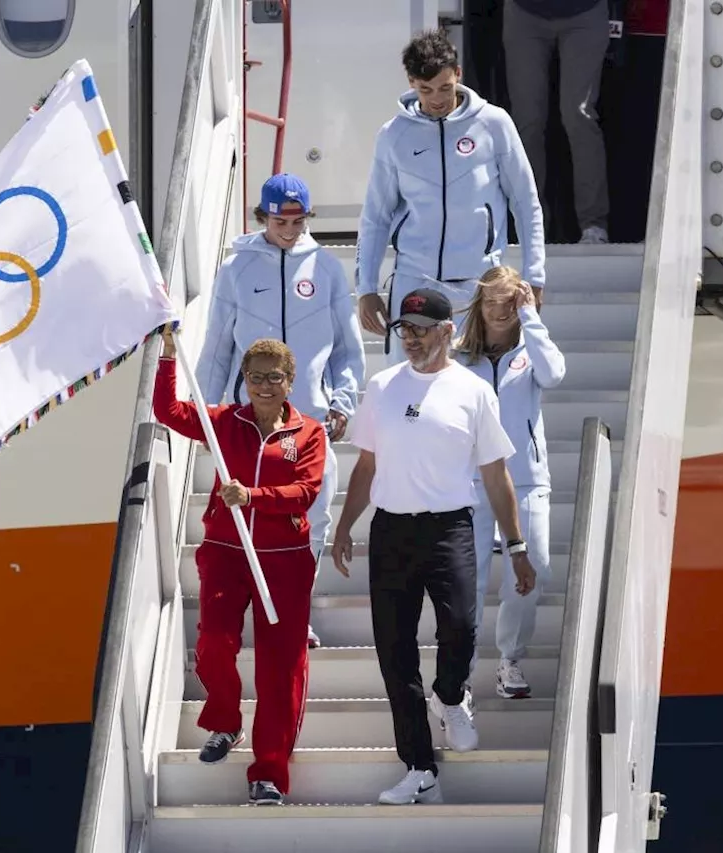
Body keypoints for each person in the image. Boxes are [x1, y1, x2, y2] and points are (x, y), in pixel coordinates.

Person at [331, 288, 537, 806]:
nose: (411, 338)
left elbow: (496, 474)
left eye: (422, 328)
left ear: (448, 331)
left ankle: (450, 695)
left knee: (461, 628)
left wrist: (516, 546)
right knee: (394, 653)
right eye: (405, 329)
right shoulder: (380, 387)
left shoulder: (472, 390)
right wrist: (343, 527)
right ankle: (419, 767)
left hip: (451, 529)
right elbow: (367, 466)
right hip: (391, 532)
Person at [154, 328, 326, 806]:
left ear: (290, 380)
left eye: (274, 377)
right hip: (227, 551)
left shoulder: (309, 433)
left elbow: (306, 492)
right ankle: (225, 722)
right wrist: (170, 357)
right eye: (255, 378)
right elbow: (168, 412)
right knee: (212, 643)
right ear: (243, 380)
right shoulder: (224, 422)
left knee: (280, 668)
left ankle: (268, 772)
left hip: (285, 560)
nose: (264, 386)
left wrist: (253, 497)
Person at [196, 173, 365, 649]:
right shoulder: (237, 271)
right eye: (280, 220)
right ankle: (242, 614)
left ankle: (293, 613)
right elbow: (216, 349)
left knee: (311, 516)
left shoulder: (328, 269)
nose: (290, 229)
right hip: (250, 422)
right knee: (249, 517)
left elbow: (347, 351)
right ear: (262, 218)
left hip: (309, 422)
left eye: (298, 220)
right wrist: (210, 411)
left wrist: (342, 400)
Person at [354, 28, 545, 367]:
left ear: (458, 74)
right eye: (425, 89)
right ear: (411, 82)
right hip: (414, 285)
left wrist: (535, 276)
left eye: (445, 86)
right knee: (410, 394)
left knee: (479, 392)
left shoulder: (494, 124)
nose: (437, 98)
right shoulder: (393, 135)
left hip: (479, 289)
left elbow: (525, 203)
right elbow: (376, 217)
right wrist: (366, 288)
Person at [454, 266, 566, 699]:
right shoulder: (460, 357)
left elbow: (554, 374)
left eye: (509, 301)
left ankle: (509, 660)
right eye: (491, 301)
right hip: (472, 483)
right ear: (479, 306)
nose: (500, 310)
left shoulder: (531, 349)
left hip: (525, 481)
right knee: (469, 580)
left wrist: (532, 316)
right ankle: (458, 674)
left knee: (532, 568)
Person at [502, 0, 612, 244]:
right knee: (526, 121)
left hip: (586, 12)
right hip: (524, 13)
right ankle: (531, 226)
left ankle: (594, 224)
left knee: (578, 115)